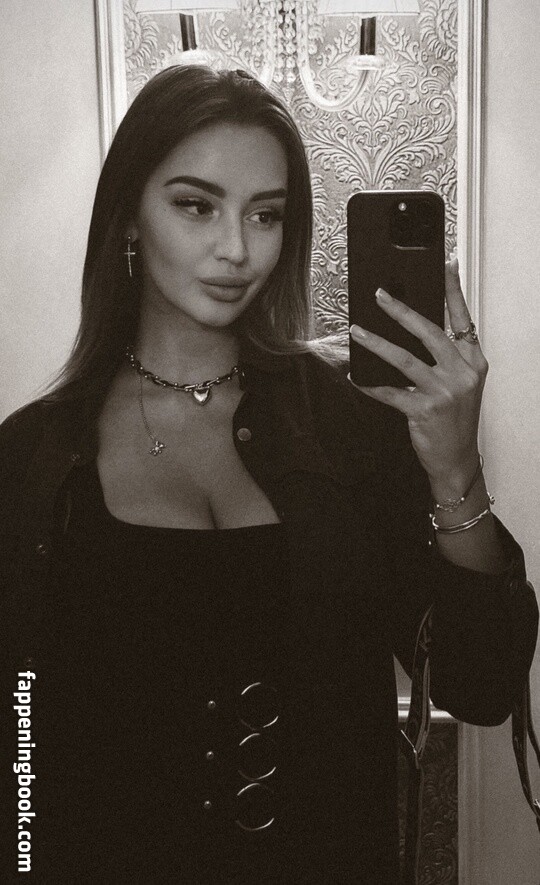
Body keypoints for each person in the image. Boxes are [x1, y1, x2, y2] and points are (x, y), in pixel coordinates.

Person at [0, 64, 537, 884]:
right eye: (196, 205)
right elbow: (20, 746)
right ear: (129, 216)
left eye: (266, 214)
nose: (237, 249)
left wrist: (455, 465)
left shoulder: (346, 424)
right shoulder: (35, 457)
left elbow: (482, 681)